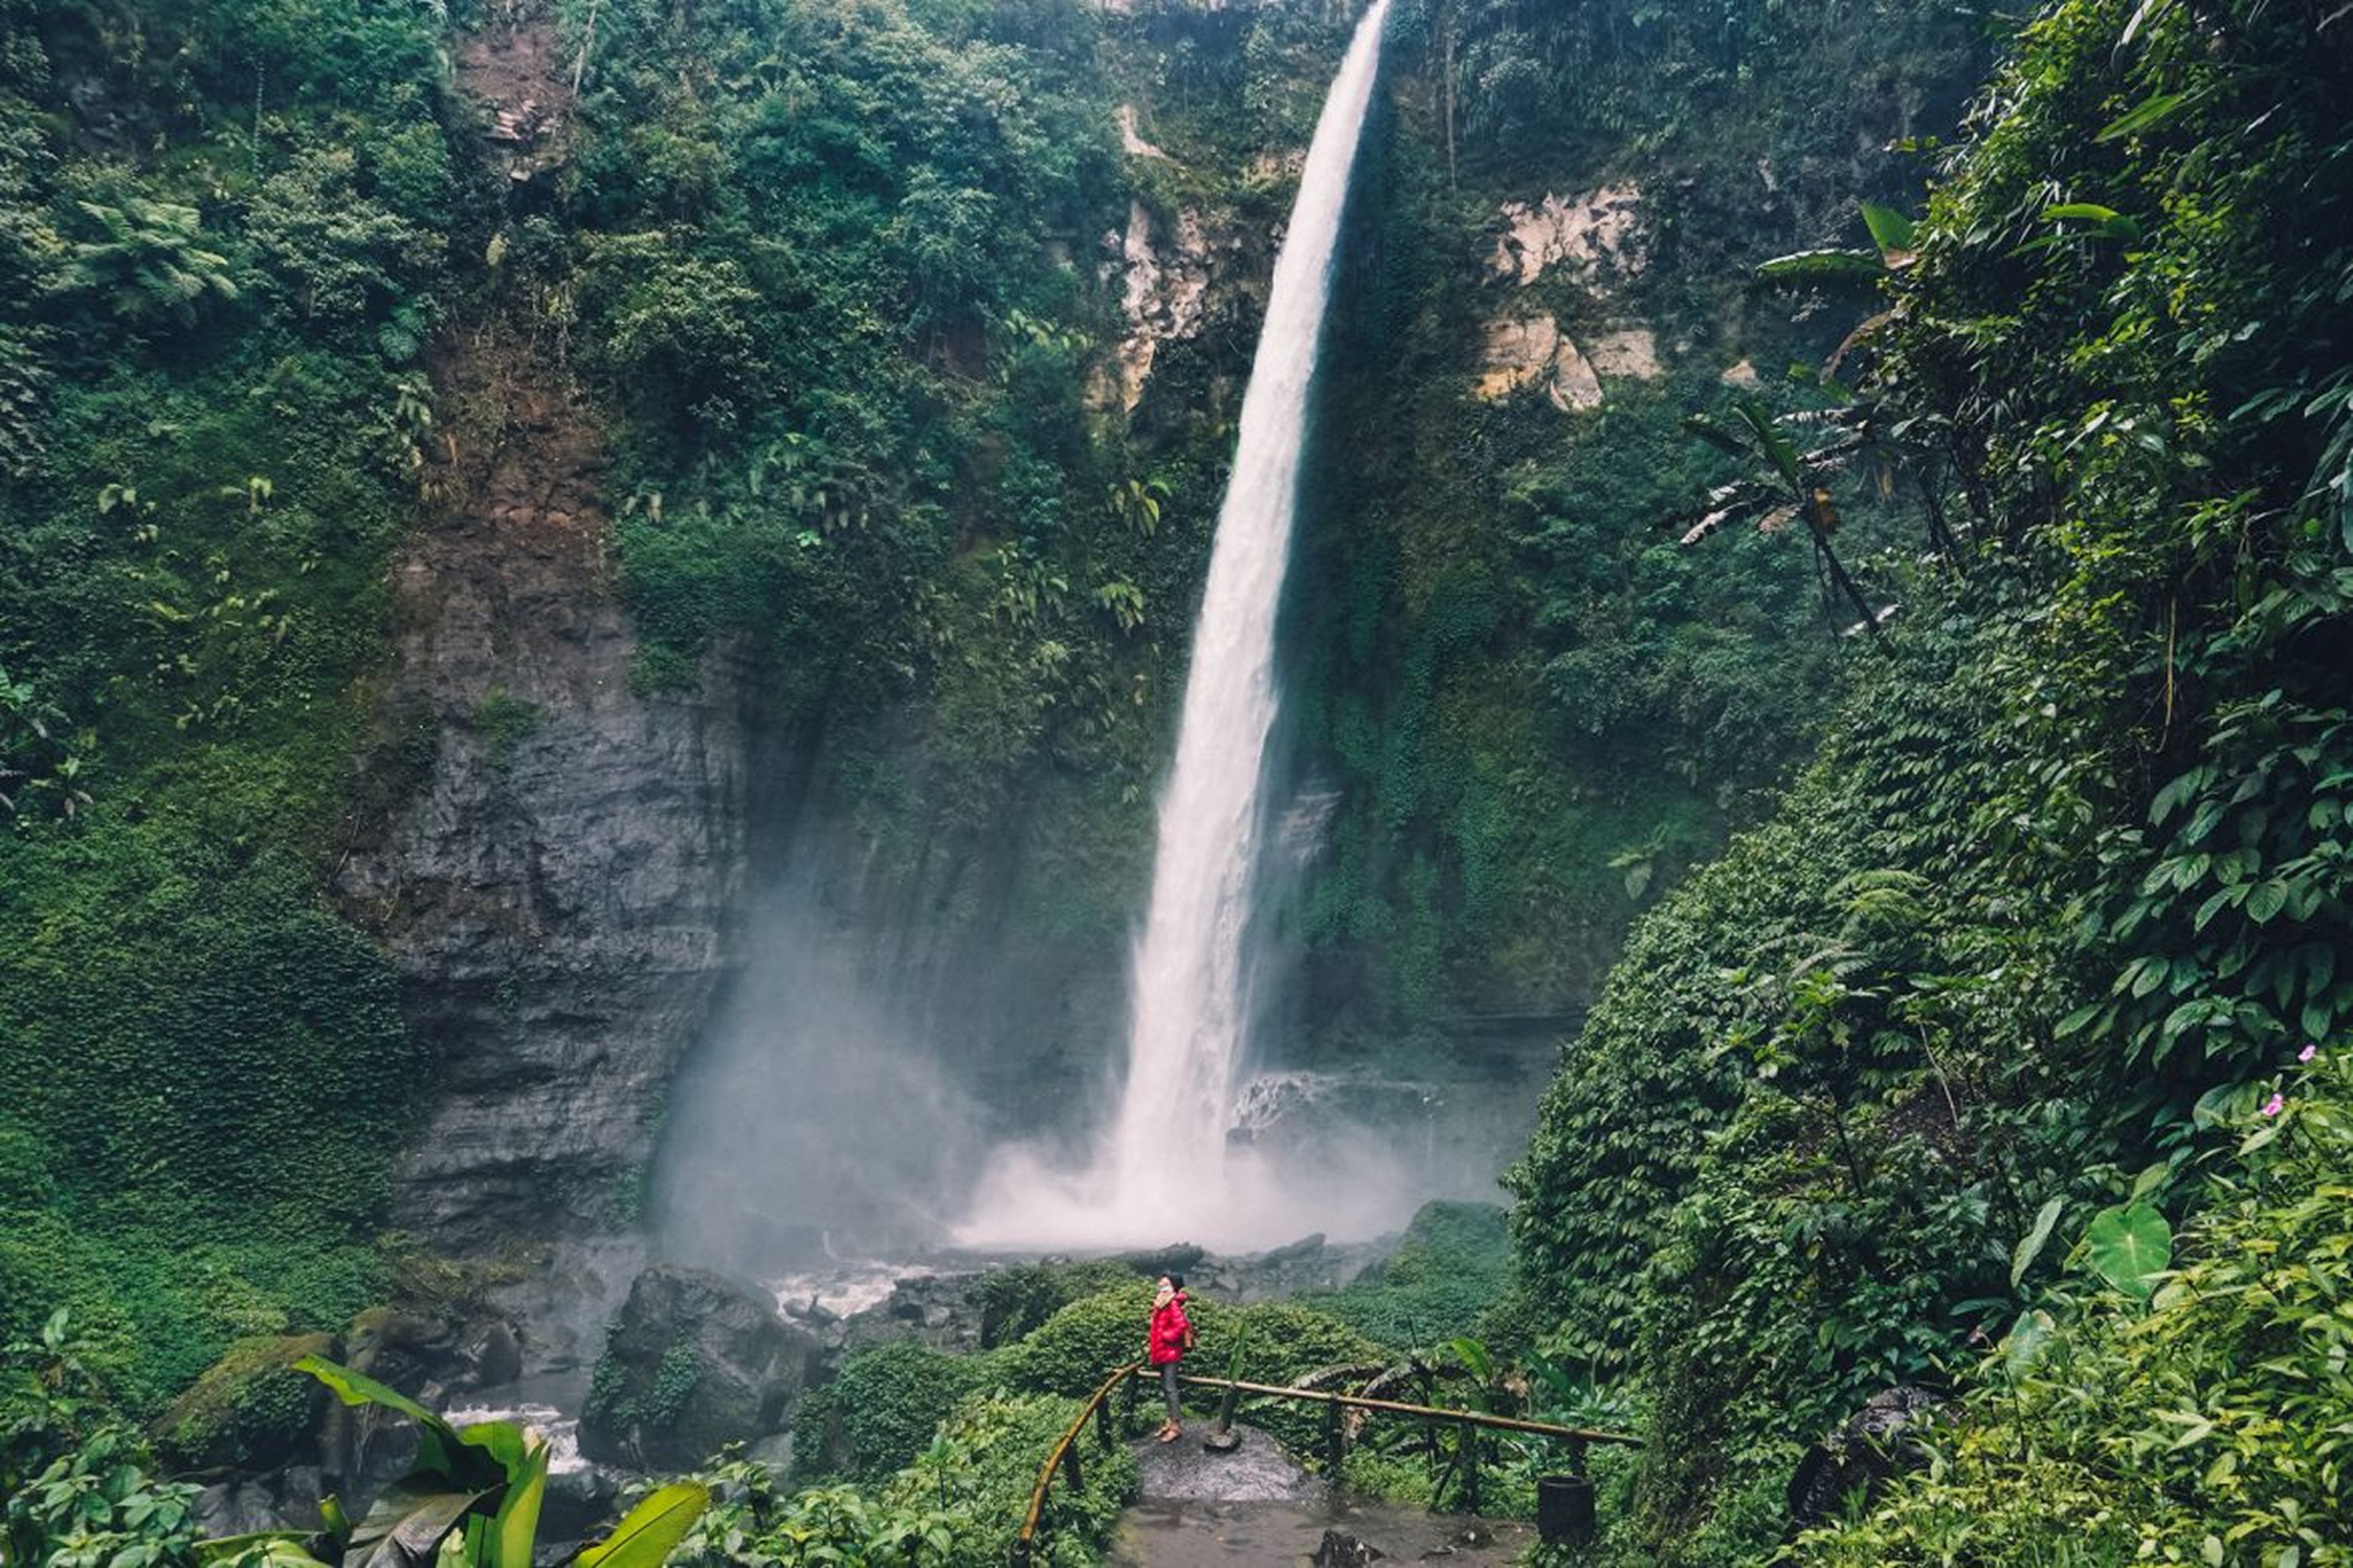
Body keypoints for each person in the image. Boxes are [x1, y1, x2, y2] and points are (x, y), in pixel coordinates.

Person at [1147, 1272, 1194, 1443]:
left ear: (1172, 1285)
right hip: (1162, 1351)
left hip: (1171, 1351)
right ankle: (1169, 1421)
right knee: (1165, 1388)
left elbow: (1180, 1326)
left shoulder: (1172, 1302)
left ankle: (1176, 1427)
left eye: (1164, 1281)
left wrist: (1166, 1336)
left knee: (1170, 1388)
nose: (1160, 1283)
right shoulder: (1162, 1300)